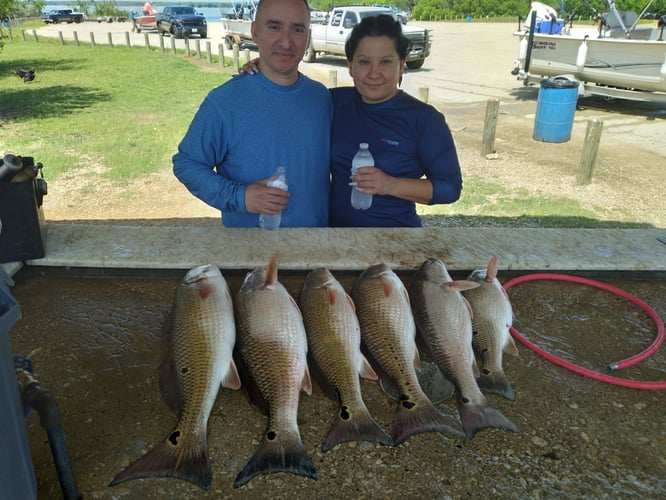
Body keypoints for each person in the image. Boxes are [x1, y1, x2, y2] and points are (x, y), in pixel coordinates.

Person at [243, 14, 462, 227]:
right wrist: (261, 69)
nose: (374, 73)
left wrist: (391, 184)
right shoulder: (334, 102)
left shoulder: (424, 119)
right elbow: (287, 93)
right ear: (351, 66)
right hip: (337, 239)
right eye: (364, 62)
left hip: (396, 240)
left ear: (401, 64)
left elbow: (450, 188)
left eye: (385, 62)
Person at [172, 0, 332, 227]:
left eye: (297, 29)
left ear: (308, 36)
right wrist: (240, 196)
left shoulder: (322, 97)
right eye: (274, 27)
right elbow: (187, 164)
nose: (286, 41)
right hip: (250, 252)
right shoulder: (224, 101)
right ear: (255, 31)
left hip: (314, 249)